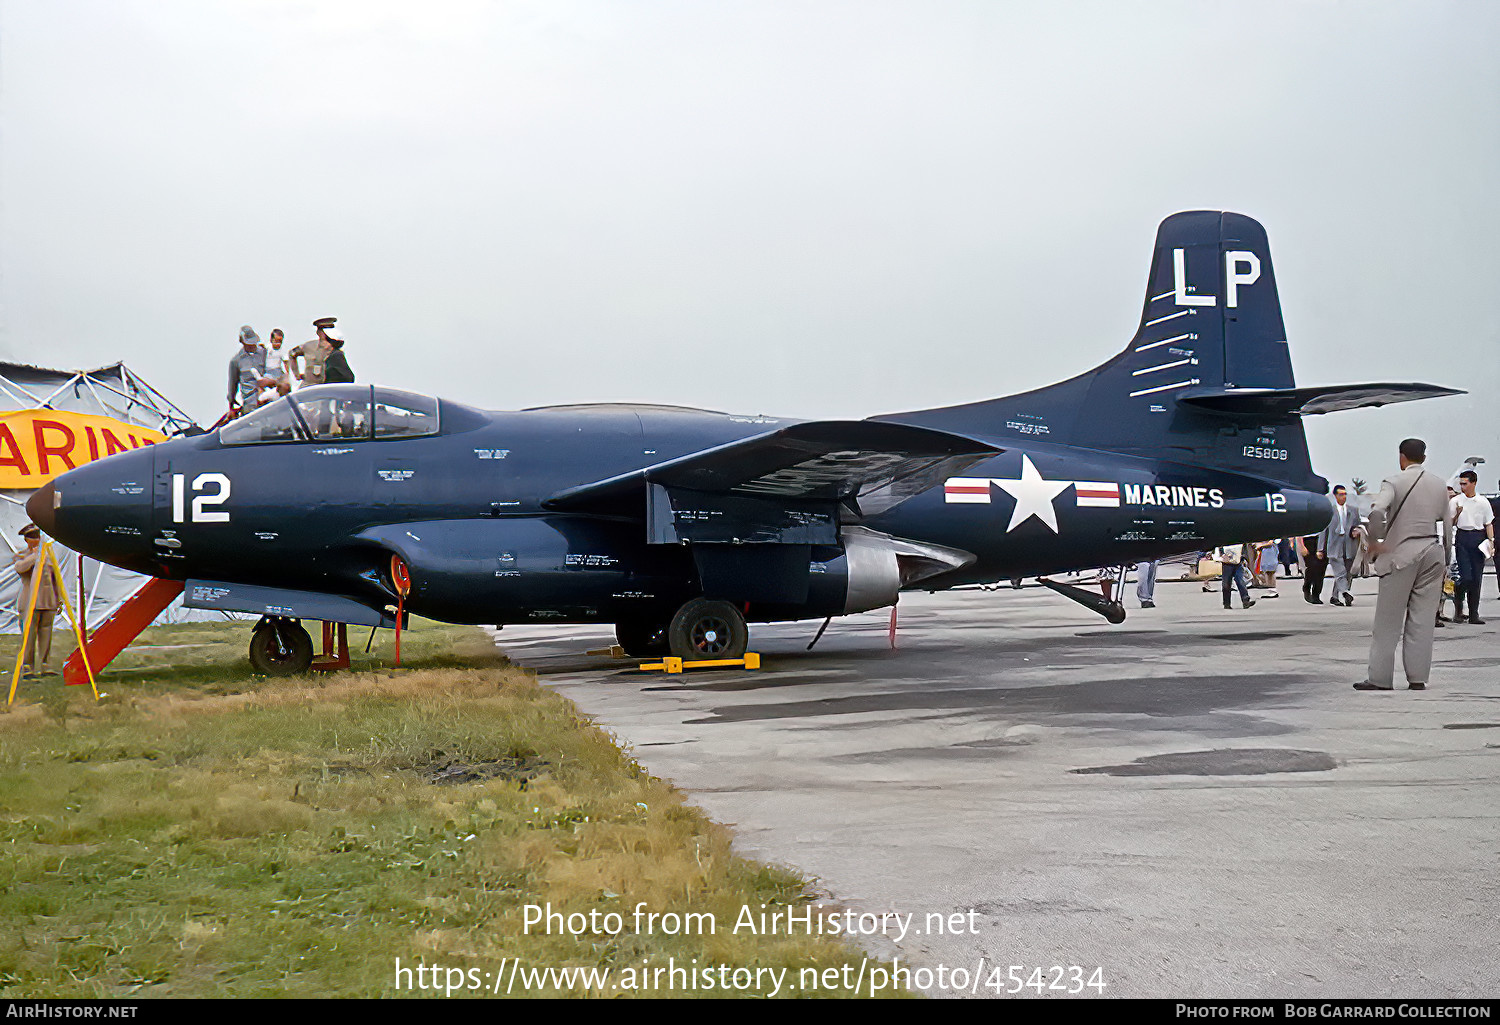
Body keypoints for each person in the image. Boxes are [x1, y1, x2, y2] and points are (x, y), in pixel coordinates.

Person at [1356, 438, 1452, 691]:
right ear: (1424, 457)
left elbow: (1377, 512)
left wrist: (1376, 542)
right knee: (1422, 621)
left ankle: (1380, 678)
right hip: (1433, 552)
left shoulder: (1394, 482)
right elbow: (1448, 524)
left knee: (1387, 622)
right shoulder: (1439, 484)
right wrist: (1447, 559)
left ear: (1402, 457)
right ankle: (1418, 678)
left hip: (1401, 555)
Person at [11, 524, 58, 678]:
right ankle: (27, 666)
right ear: (26, 540)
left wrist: (59, 599)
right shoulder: (21, 556)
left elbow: (55, 578)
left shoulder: (49, 555)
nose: (36, 540)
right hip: (30, 600)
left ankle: (46, 665)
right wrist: (35, 556)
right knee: (29, 636)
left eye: (37, 537)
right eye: (32, 537)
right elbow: (20, 568)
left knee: (46, 633)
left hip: (47, 600)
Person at [1448, 469, 1495, 625]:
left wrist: (1491, 542)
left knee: (1476, 577)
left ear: (1473, 483)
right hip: (1463, 536)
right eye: (1461, 484)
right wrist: (1457, 514)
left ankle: (1474, 613)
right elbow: (1450, 523)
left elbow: (1488, 523)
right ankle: (1459, 598)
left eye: (1465, 484)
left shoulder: (1482, 502)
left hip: (1478, 537)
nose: (1462, 487)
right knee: (1466, 576)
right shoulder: (1456, 501)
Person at [1318, 485, 1360, 607]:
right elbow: (1323, 530)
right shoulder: (1329, 511)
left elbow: (1358, 525)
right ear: (1335, 496)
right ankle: (1346, 592)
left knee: (1346, 572)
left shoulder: (1353, 510)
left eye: (1345, 494)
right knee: (1340, 571)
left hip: (1349, 544)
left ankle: (1335, 596)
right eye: (1341, 494)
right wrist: (1320, 549)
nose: (1344, 497)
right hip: (1334, 545)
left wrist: (1357, 531)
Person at [227, 325, 269, 416]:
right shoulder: (236, 361)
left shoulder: (264, 353)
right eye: (249, 344)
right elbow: (232, 386)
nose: (252, 346)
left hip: (267, 399)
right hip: (250, 405)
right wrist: (231, 407)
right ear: (242, 342)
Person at [292, 317, 336, 389]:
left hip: (327, 387)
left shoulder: (335, 350)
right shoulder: (309, 346)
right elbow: (292, 354)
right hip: (309, 385)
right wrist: (297, 375)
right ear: (318, 332)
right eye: (323, 331)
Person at [1214, 543, 1256, 609]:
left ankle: (1245, 600)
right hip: (1227, 564)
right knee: (1226, 584)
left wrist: (1244, 558)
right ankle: (1226, 603)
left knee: (1240, 581)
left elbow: (1243, 548)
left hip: (1238, 563)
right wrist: (1222, 555)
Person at [258, 328, 293, 404]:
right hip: (267, 372)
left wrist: (287, 375)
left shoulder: (282, 350)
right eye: (276, 341)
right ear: (271, 340)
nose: (278, 344)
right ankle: (260, 401)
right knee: (259, 385)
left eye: (280, 341)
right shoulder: (267, 349)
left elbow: (286, 362)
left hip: (278, 371)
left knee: (285, 385)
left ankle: (285, 400)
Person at [1301, 533, 1328, 604]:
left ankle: (1316, 594)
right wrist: (1301, 545)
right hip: (1309, 539)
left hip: (1323, 539)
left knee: (1321, 569)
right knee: (1312, 566)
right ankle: (1307, 586)